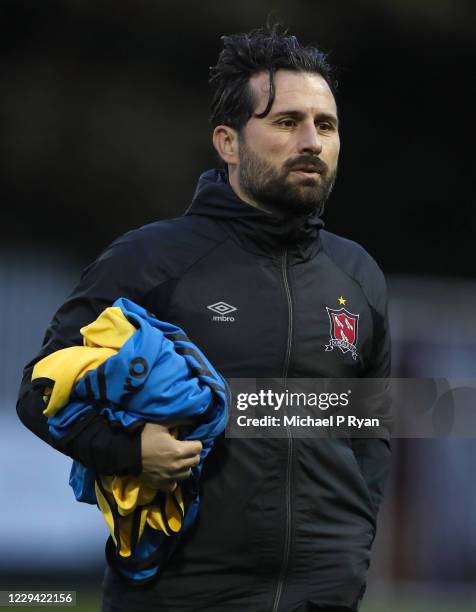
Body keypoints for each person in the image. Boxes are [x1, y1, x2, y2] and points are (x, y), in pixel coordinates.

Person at [17, 25, 391, 612]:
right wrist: (130, 450)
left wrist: (350, 551)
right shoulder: (149, 261)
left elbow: (374, 432)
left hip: (324, 594)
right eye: (287, 122)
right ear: (228, 141)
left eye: (326, 125)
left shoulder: (359, 275)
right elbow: (39, 392)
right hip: (180, 592)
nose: (312, 141)